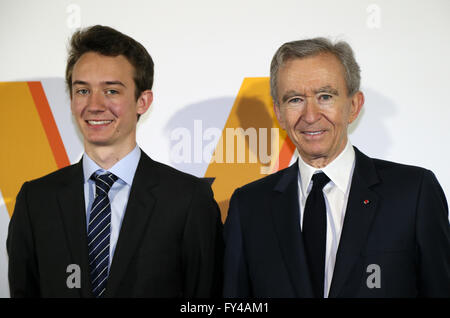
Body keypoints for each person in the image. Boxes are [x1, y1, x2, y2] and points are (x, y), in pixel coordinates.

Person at [223, 38, 450, 297]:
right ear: (279, 113)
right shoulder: (249, 205)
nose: (310, 115)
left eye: (325, 96)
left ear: (354, 106)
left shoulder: (414, 193)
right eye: (295, 99)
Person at [7, 25, 223, 298]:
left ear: (142, 101)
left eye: (111, 91)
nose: (94, 105)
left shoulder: (188, 200)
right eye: (83, 91)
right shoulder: (35, 200)